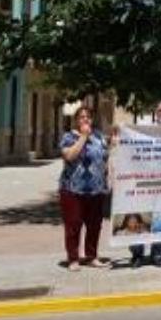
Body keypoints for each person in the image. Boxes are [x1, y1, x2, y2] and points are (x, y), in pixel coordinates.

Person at [58, 106, 110, 271]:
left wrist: (106, 179)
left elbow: (104, 159)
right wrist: (84, 137)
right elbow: (69, 156)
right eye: (82, 117)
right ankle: (73, 259)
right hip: (73, 189)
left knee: (95, 225)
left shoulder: (100, 137)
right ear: (76, 120)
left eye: (88, 116)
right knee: (73, 224)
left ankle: (91, 256)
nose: (85, 119)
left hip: (96, 189)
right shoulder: (69, 137)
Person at [130, 99, 161, 268]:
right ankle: (137, 254)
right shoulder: (144, 127)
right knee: (139, 216)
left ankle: (157, 253)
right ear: (156, 113)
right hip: (144, 181)